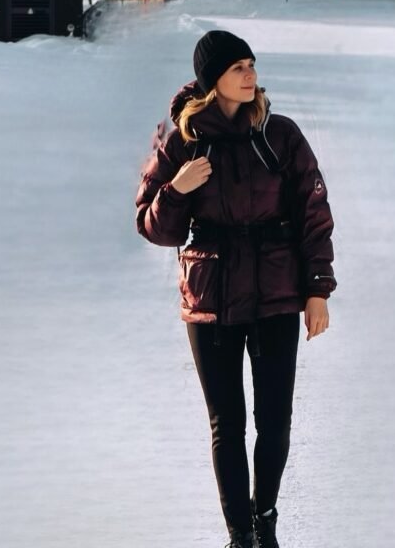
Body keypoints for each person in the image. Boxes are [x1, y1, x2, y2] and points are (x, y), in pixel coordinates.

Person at [136, 30, 337, 548]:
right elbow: (153, 226)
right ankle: (240, 536)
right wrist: (177, 189)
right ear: (213, 82)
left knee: (275, 420)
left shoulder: (279, 135)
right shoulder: (181, 141)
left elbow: (314, 215)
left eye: (251, 65)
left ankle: (264, 521)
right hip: (211, 298)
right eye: (238, 68)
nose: (251, 75)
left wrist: (317, 290)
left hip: (275, 294)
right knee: (227, 423)